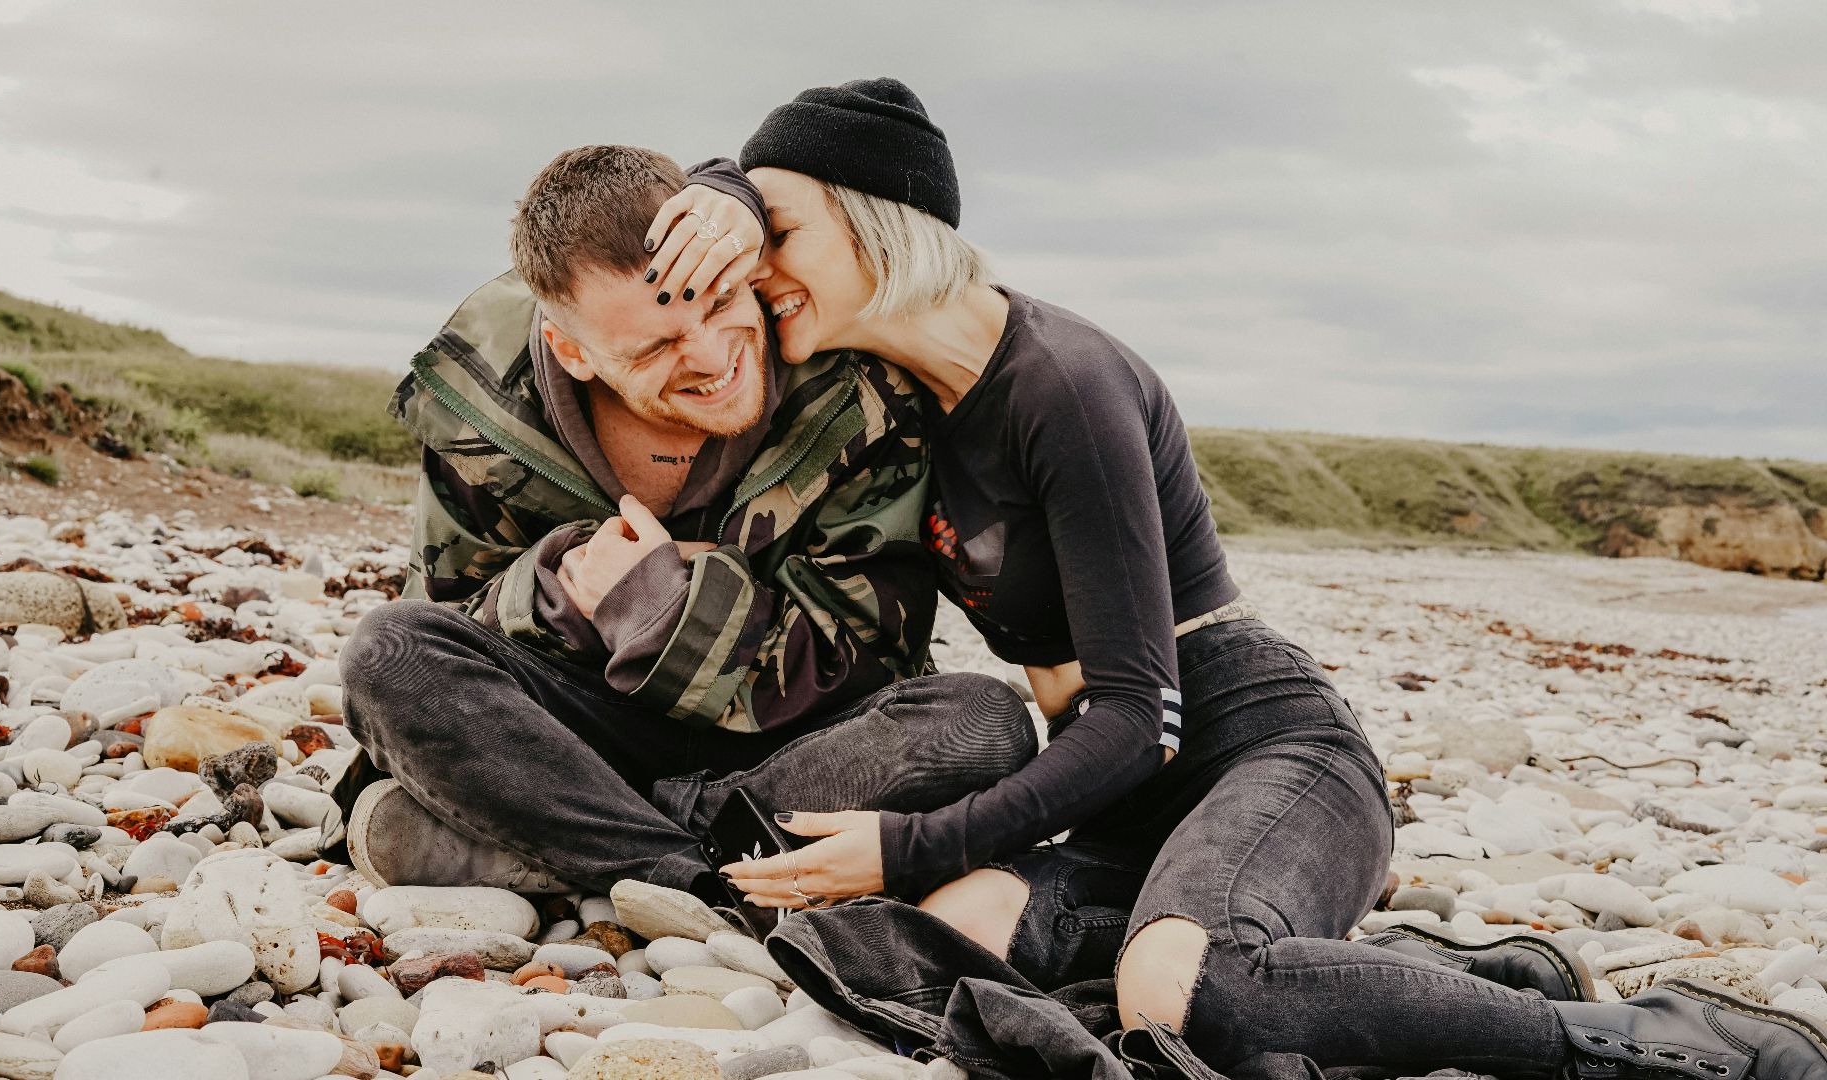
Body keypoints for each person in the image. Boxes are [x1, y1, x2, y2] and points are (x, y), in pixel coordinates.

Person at [640, 79, 1827, 1078]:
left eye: (775, 235)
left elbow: (1138, 721)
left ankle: (1641, 1037)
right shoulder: (906, 398)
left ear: (877, 217)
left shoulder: (1065, 382)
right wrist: (732, 187)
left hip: (1260, 750)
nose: (753, 271)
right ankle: (1439, 975)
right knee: (954, 933)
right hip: (1114, 796)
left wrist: (909, 842)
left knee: (1181, 988)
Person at [329, 144, 1037, 909]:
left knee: (983, 722)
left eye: (721, 302)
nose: (712, 357)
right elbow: (450, 625)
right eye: (658, 346)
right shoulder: (482, 405)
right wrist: (557, 586)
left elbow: (869, 654)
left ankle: (591, 850)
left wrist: (661, 606)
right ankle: (708, 875)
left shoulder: (849, 388)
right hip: (577, 733)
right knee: (388, 652)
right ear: (574, 352)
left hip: (790, 743)